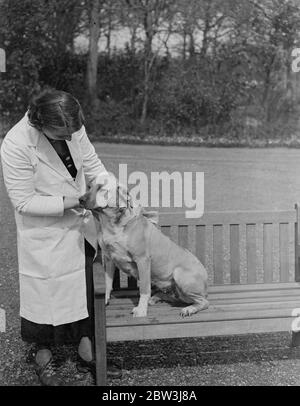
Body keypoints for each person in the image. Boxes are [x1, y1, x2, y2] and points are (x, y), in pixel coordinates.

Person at [0, 89, 121, 385]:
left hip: (80, 226)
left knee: (85, 286)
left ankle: (86, 352)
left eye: (73, 132)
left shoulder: (71, 127)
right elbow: (24, 201)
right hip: (44, 230)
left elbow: (94, 167)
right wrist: (74, 200)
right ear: (41, 123)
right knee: (45, 294)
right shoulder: (16, 144)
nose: (70, 137)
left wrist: (109, 190)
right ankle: (42, 355)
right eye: (62, 133)